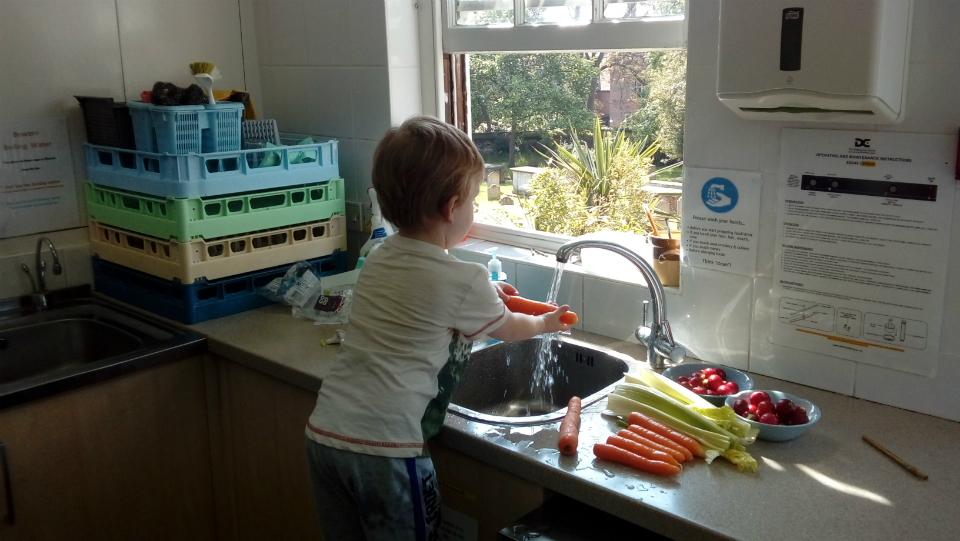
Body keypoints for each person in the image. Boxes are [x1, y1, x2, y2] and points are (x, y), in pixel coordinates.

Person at [304, 116, 572, 541]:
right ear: (451, 208)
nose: (473, 211)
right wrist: (546, 321)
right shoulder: (464, 279)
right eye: (472, 201)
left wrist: (487, 295)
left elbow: (422, 303)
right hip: (387, 452)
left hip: (324, 437)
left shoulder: (377, 257)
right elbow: (511, 329)